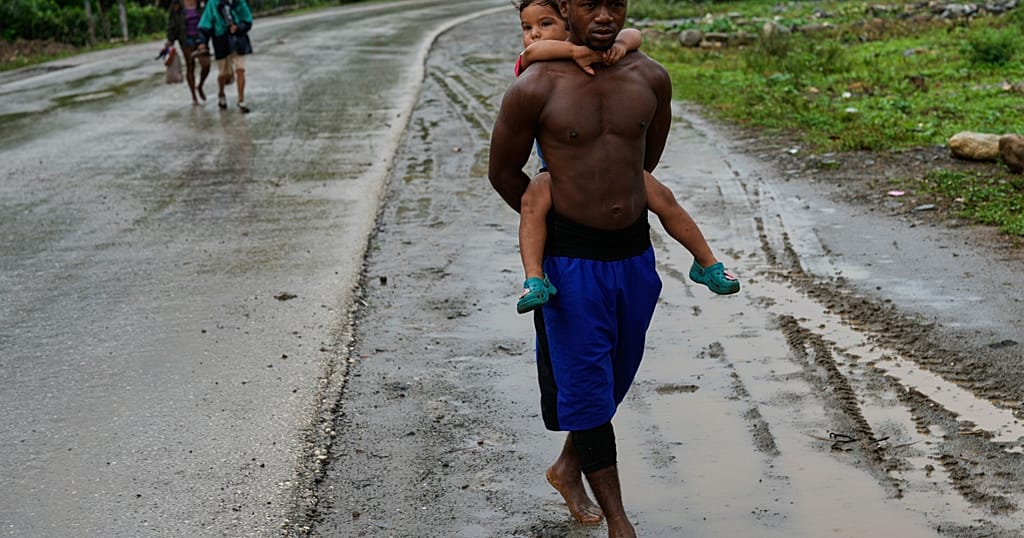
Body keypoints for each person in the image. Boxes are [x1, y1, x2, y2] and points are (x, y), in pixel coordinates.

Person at [489, 0, 714, 533]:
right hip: (570, 265)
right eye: (590, 3)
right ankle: (619, 521)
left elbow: (643, 162)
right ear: (567, 7)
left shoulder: (650, 76)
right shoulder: (535, 86)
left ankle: (569, 466)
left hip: (634, 257)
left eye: (615, 1)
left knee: (613, 374)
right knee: (588, 388)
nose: (606, 14)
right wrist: (557, 214)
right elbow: (502, 173)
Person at [511, 0, 739, 315]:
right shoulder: (537, 70)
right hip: (560, 176)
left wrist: (619, 43)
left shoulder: (642, 70)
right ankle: (535, 278)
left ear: (565, 21)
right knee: (533, 203)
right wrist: (574, 52)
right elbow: (532, 53)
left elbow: (633, 33)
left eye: (544, 24)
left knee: (663, 197)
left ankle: (706, 262)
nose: (535, 35)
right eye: (528, 28)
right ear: (569, 10)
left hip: (620, 179)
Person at [196, 0, 253, 113]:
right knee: (224, 74)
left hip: (238, 39)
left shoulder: (239, 2)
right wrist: (203, 42)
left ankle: (241, 101)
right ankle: (221, 93)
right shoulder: (213, 3)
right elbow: (205, 24)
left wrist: (239, 27)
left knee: (240, 69)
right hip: (221, 40)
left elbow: (248, 20)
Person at [165, 0, 212, 106]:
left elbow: (209, 16)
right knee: (190, 65)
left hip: (201, 38)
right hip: (186, 38)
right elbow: (171, 22)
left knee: (206, 64)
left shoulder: (202, 2)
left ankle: (200, 86)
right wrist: (170, 39)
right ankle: (194, 97)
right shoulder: (176, 3)